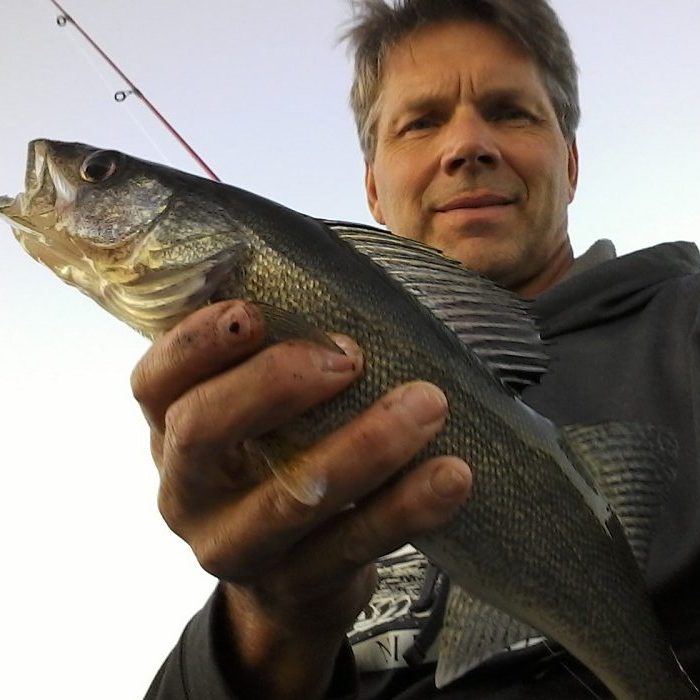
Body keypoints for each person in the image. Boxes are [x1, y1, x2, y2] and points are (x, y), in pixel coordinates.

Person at [140, 1, 700, 698]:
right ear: (373, 188)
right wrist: (266, 611)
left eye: (511, 112)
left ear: (573, 163)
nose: (468, 145)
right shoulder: (294, 396)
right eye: (422, 122)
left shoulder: (687, 326)